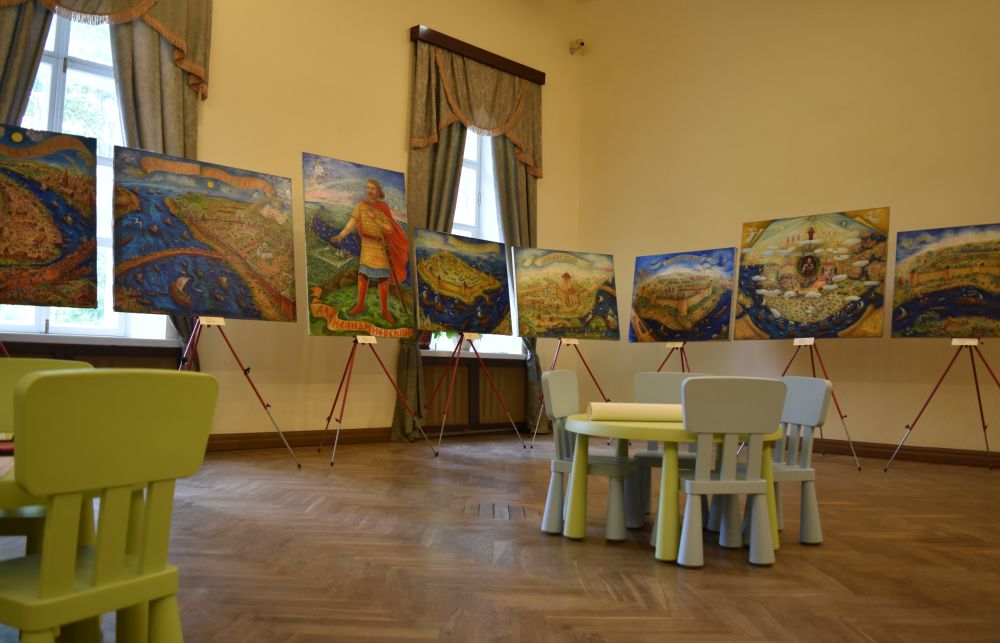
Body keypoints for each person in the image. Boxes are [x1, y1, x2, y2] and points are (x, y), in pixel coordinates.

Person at [331, 178, 408, 323]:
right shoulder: (361, 206)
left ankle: (384, 311)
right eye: (368, 188)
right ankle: (360, 305)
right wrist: (341, 235)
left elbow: (390, 229)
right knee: (363, 275)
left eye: (372, 188)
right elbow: (352, 223)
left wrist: (375, 219)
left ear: (378, 191)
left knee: (383, 278)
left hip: (380, 247)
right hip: (367, 246)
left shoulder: (383, 208)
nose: (369, 190)